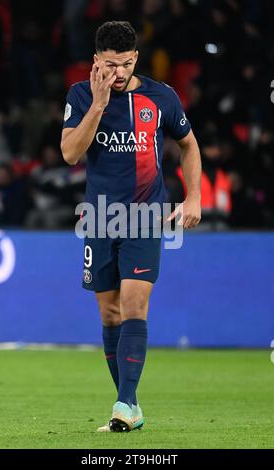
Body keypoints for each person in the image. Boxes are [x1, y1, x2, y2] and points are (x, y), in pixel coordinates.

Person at [61, 21, 201, 432]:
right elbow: (70, 153)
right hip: (100, 218)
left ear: (135, 58)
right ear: (95, 62)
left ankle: (122, 403)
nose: (117, 73)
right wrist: (99, 105)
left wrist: (194, 196)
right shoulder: (82, 95)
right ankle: (132, 406)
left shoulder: (161, 97)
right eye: (108, 65)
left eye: (124, 65)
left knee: (134, 305)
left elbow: (188, 143)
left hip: (144, 216)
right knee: (109, 314)